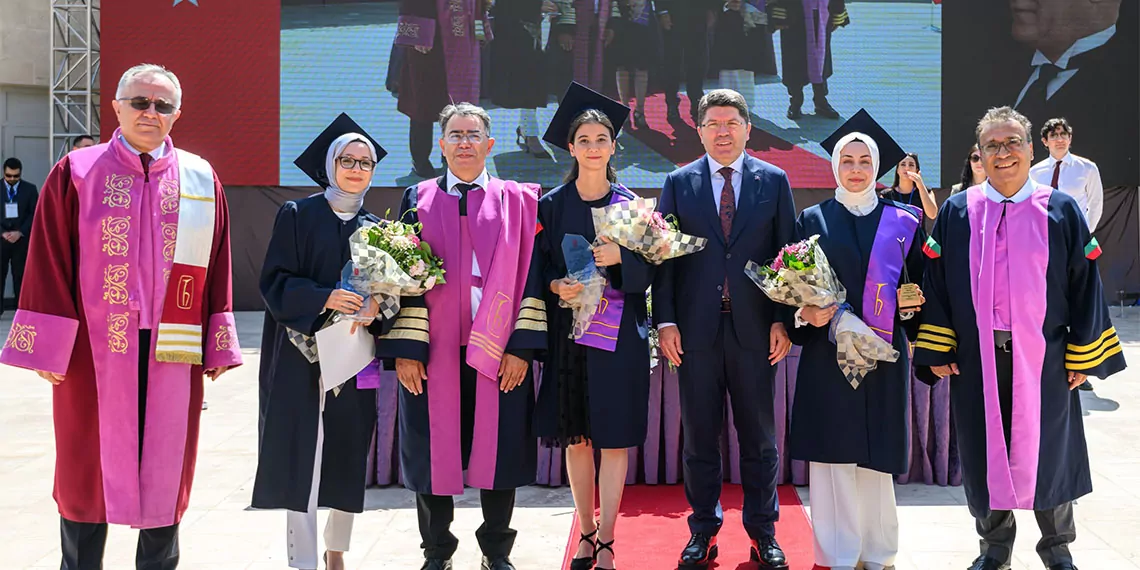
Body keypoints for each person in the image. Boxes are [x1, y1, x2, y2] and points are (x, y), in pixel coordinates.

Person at [0, 63, 242, 569]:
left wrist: (218, 341)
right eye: (139, 102)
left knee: (166, 465)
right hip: (93, 351)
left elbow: (217, 264)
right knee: (86, 468)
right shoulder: (78, 171)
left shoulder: (200, 176)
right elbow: (48, 260)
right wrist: (47, 346)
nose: (150, 113)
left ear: (177, 113)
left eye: (163, 105)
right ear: (116, 107)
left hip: (172, 350)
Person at [914, 106, 1127, 570]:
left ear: (1031, 149)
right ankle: (994, 549)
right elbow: (936, 285)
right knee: (983, 448)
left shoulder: (1061, 208)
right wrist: (937, 348)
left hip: (1045, 358)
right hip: (978, 357)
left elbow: (1084, 285)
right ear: (980, 154)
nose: (1003, 152)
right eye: (992, 145)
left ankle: (1058, 549)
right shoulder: (958, 211)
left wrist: (1082, 355)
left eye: (1013, 143)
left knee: (1051, 448)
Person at [378, 102, 547, 570]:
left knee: (501, 452)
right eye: (455, 134)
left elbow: (533, 276)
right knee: (434, 453)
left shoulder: (520, 199)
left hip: (499, 351)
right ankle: (437, 553)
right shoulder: (418, 197)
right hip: (435, 352)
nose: (465, 143)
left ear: (490, 144)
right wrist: (407, 351)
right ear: (442, 144)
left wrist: (521, 348)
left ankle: (497, 553)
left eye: (474, 134)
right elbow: (404, 277)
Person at [654, 89, 795, 570]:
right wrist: (666, 321)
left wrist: (782, 318)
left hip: (756, 331)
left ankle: (763, 532)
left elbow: (787, 257)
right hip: (694, 333)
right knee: (699, 438)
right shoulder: (678, 181)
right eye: (713, 123)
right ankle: (702, 531)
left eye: (732, 122)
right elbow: (666, 260)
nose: (722, 131)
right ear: (699, 129)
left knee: (759, 439)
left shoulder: (774, 181)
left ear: (748, 128)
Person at [789, 113, 929, 570]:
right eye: (846, 160)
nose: (855, 168)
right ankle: (838, 554)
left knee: (876, 459)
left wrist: (912, 307)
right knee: (834, 461)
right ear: (834, 167)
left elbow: (919, 286)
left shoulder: (903, 220)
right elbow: (792, 292)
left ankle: (880, 552)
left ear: (877, 167)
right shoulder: (811, 220)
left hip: (884, 355)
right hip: (829, 357)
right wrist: (805, 313)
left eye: (864, 160)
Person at [253, 114, 388, 570]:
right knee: (303, 453)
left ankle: (337, 552)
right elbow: (274, 281)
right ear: (330, 165)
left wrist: (377, 310)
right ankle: (304, 558)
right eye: (347, 160)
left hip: (354, 355)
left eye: (365, 162)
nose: (356, 168)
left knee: (349, 451)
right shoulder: (299, 214)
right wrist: (323, 296)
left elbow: (390, 298)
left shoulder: (377, 229)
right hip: (301, 352)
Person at [534, 83, 653, 570]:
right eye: (583, 139)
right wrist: (555, 285)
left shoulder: (633, 207)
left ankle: (607, 539)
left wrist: (621, 257)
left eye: (601, 138)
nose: (593, 147)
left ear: (613, 146)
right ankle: (584, 531)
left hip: (618, 337)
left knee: (614, 437)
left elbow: (651, 274)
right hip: (570, 339)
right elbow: (536, 268)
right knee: (578, 437)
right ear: (571, 146)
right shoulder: (551, 204)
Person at [395, 0, 491, 178]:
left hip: (464, 42)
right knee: (424, 104)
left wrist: (481, 26)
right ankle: (420, 159)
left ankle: (452, 157)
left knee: (460, 106)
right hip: (431, 42)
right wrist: (419, 34)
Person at [489, 0, 550, 157]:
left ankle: (528, 129)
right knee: (525, 79)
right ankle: (529, 132)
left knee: (535, 80)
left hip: (545, 22)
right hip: (513, 25)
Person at [768, 0, 847, 120]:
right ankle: (795, 102)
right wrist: (778, 18)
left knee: (820, 61)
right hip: (795, 16)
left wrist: (837, 14)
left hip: (821, 15)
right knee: (794, 61)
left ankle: (821, 101)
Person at [1029, 118, 1103, 232]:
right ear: (1045, 141)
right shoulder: (1034, 173)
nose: (1059, 139)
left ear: (1070, 138)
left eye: (1063, 134)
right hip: (1046, 235)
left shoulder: (1088, 168)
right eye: (1053, 135)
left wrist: (1086, 231)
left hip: (1076, 232)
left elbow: (1096, 203)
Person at [711, 0, 778, 118]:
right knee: (727, 63)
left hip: (752, 15)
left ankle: (745, 106)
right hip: (727, 15)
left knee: (747, 63)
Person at [657, 0, 717, 125]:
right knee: (672, 63)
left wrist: (711, 9)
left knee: (697, 62)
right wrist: (662, 11)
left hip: (698, 15)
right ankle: (672, 104)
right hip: (673, 14)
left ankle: (696, 102)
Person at [609, 0, 662, 130]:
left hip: (644, 20)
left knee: (642, 67)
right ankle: (624, 109)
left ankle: (640, 111)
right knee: (622, 67)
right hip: (620, 19)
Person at [548, 0, 619, 94]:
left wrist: (612, 25)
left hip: (600, 24)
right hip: (573, 25)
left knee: (598, 72)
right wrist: (564, 28)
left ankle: (592, 105)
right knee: (569, 74)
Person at [1, 157, 37, 316]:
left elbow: (34, 213)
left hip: (20, 239)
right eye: (9, 176)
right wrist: (2, 232)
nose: (12, 180)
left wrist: (20, 231)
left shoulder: (30, 189)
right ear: (4, 173)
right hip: (1, 239)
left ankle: (20, 310)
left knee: (20, 275)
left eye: (16, 176)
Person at [881, 152, 938, 220]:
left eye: (911, 165)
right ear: (897, 170)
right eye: (903, 164)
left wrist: (921, 186)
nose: (907, 168)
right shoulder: (886, 195)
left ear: (916, 170)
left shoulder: (926, 191)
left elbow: (932, 214)